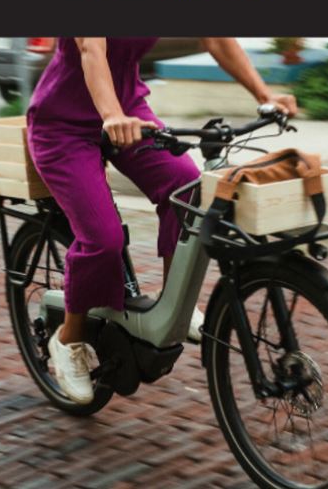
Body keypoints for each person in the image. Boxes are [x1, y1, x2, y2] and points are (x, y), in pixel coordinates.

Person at [26, 37, 297, 404]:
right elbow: (92, 49)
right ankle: (68, 339)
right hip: (64, 125)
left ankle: (175, 308)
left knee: (187, 190)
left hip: (130, 113)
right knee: (103, 239)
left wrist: (264, 95)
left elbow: (216, 37)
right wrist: (111, 114)